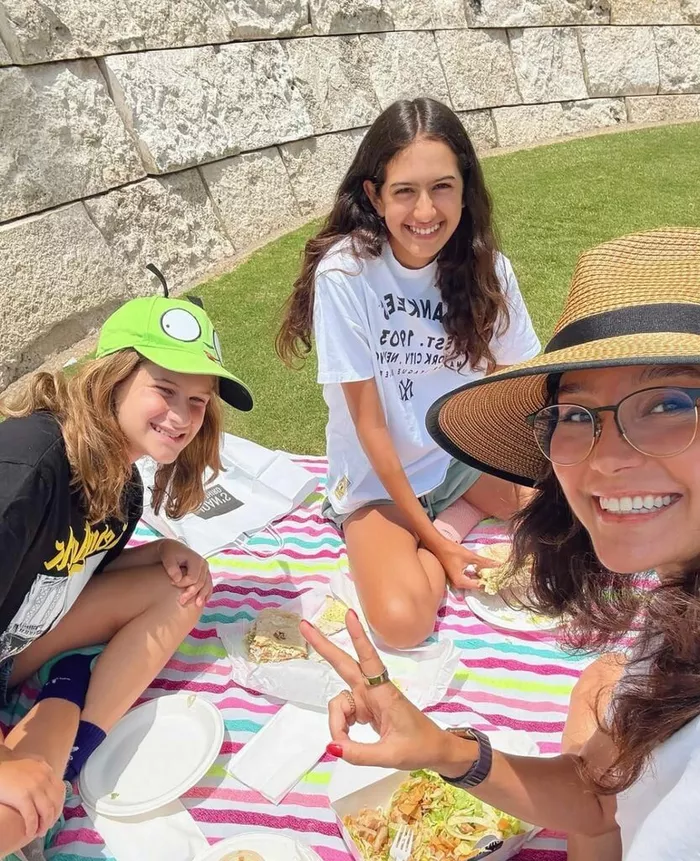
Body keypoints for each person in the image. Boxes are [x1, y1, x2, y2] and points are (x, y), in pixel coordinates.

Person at [301, 228, 700, 861]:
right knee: (600, 685)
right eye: (576, 414)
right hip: (388, 489)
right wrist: (442, 750)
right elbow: (599, 802)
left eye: (668, 405)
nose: (606, 460)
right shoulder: (676, 622)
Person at [277, 98, 540, 649]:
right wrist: (435, 546)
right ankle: (434, 535)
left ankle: (454, 515)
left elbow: (519, 387)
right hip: (378, 485)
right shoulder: (346, 274)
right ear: (375, 196)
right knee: (402, 624)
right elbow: (371, 427)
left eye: (442, 187)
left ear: (465, 188)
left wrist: (534, 485)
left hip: (463, 461)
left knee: (572, 517)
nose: (425, 211)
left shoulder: (489, 269)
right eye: (404, 191)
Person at [0, 295, 253, 859]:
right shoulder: (28, 463)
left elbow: (65, 570)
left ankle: (73, 747)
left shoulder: (125, 487)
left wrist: (160, 550)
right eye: (165, 389)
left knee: (182, 588)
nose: (183, 417)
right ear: (112, 379)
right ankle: (64, 698)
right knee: (16, 819)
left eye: (198, 400)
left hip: (16, 649)